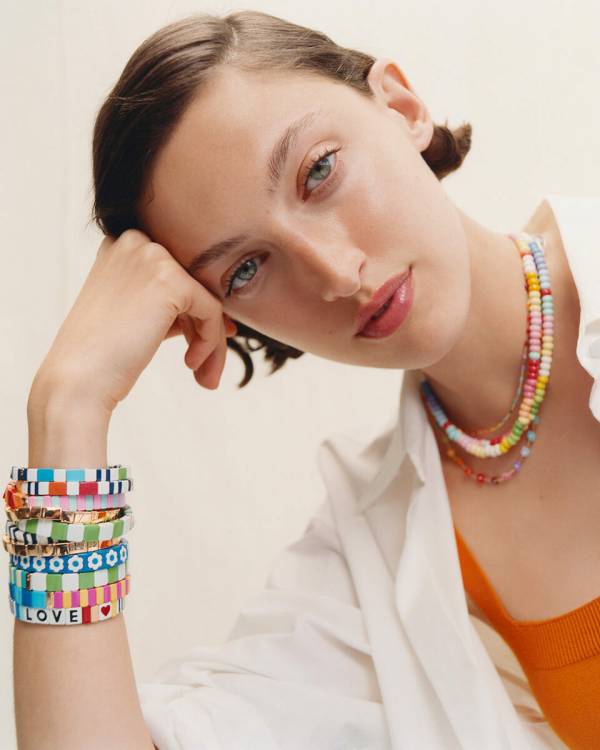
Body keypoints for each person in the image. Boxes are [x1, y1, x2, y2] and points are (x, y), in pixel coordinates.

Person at [9, 9, 600, 750]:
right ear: (225, 317)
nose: (335, 272)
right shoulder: (371, 554)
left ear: (401, 108)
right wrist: (67, 409)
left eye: (318, 171)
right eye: (246, 269)